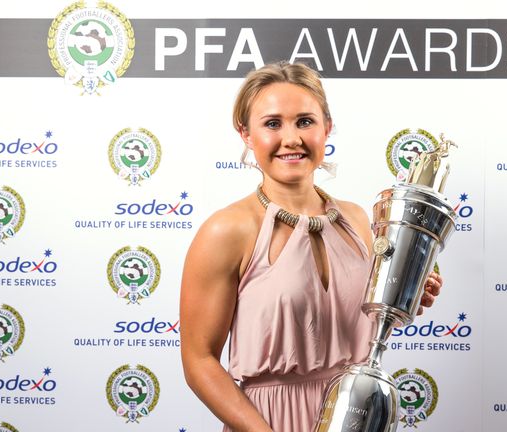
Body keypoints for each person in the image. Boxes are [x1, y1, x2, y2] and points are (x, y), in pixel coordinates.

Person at [179, 61, 443, 432]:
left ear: (327, 128)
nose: (291, 139)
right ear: (245, 133)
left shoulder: (356, 221)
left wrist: (412, 289)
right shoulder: (227, 230)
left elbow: (351, 331)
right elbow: (199, 361)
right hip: (267, 423)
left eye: (305, 121)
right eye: (272, 123)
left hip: (356, 417)